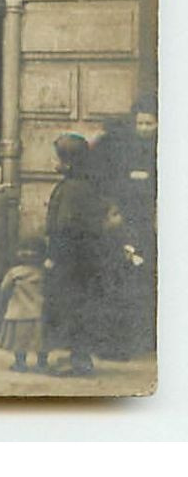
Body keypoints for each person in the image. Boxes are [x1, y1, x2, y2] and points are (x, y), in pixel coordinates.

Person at [88, 96, 157, 357]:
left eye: (149, 123)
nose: (143, 128)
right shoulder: (120, 150)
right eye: (140, 123)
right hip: (126, 228)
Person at [44, 133, 113, 377]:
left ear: (69, 163)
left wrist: (53, 255)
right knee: (81, 307)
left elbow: (64, 227)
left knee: (73, 308)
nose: (55, 164)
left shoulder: (71, 189)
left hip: (71, 260)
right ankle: (79, 359)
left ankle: (80, 362)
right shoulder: (87, 185)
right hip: (86, 258)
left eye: (59, 159)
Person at [0, 237, 50, 373]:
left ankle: (20, 364)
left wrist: (4, 303)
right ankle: (42, 363)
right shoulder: (43, 272)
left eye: (33, 250)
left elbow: (4, 289)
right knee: (41, 341)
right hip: (38, 312)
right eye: (24, 250)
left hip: (19, 313)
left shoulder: (14, 273)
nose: (28, 253)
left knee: (20, 341)